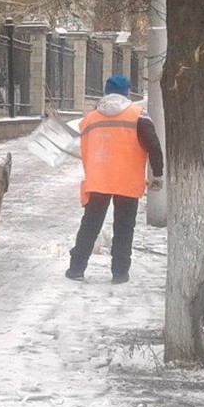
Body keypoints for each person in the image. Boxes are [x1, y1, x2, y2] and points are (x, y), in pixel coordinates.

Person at [66, 74, 164, 284]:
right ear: (128, 93)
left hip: (98, 179)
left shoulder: (91, 117)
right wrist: (158, 173)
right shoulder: (138, 115)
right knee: (124, 227)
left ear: (105, 92)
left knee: (90, 224)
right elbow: (153, 146)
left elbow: (83, 145)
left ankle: (76, 269)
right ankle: (119, 273)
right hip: (127, 180)